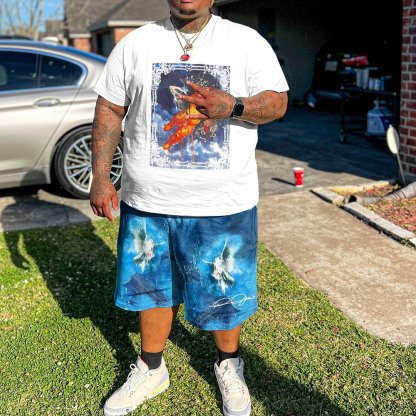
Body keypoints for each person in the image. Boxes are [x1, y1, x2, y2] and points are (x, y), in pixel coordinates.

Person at [90, 0, 289, 415]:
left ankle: (229, 365)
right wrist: (102, 175)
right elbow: (110, 107)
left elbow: (277, 102)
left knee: (223, 288)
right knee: (151, 286)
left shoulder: (245, 41)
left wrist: (233, 106)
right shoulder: (135, 44)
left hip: (223, 202)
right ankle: (151, 368)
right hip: (148, 201)